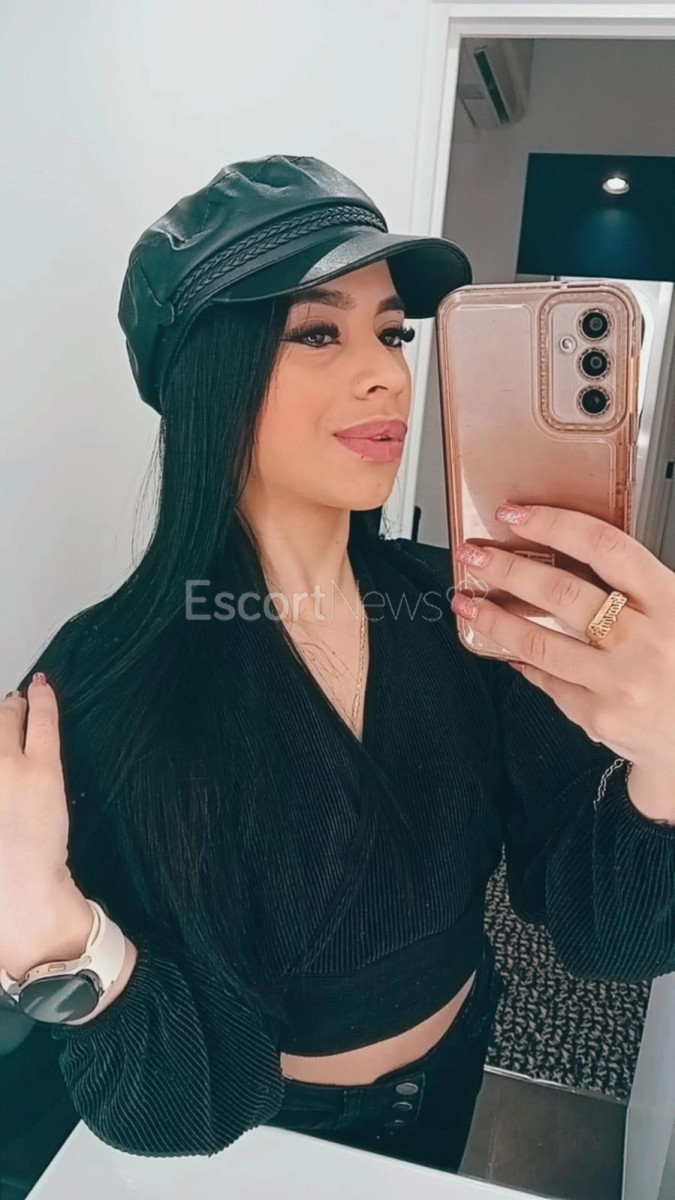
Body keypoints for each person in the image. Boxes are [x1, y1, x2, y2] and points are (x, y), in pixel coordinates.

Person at [2, 155, 674, 1177]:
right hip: (261, 1137)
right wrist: (52, 937)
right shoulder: (100, 683)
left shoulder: (474, 608)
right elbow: (181, 1104)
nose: (389, 374)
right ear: (203, 378)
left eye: (393, 333)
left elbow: (610, 937)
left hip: (458, 1069)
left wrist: (663, 760)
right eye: (319, 332)